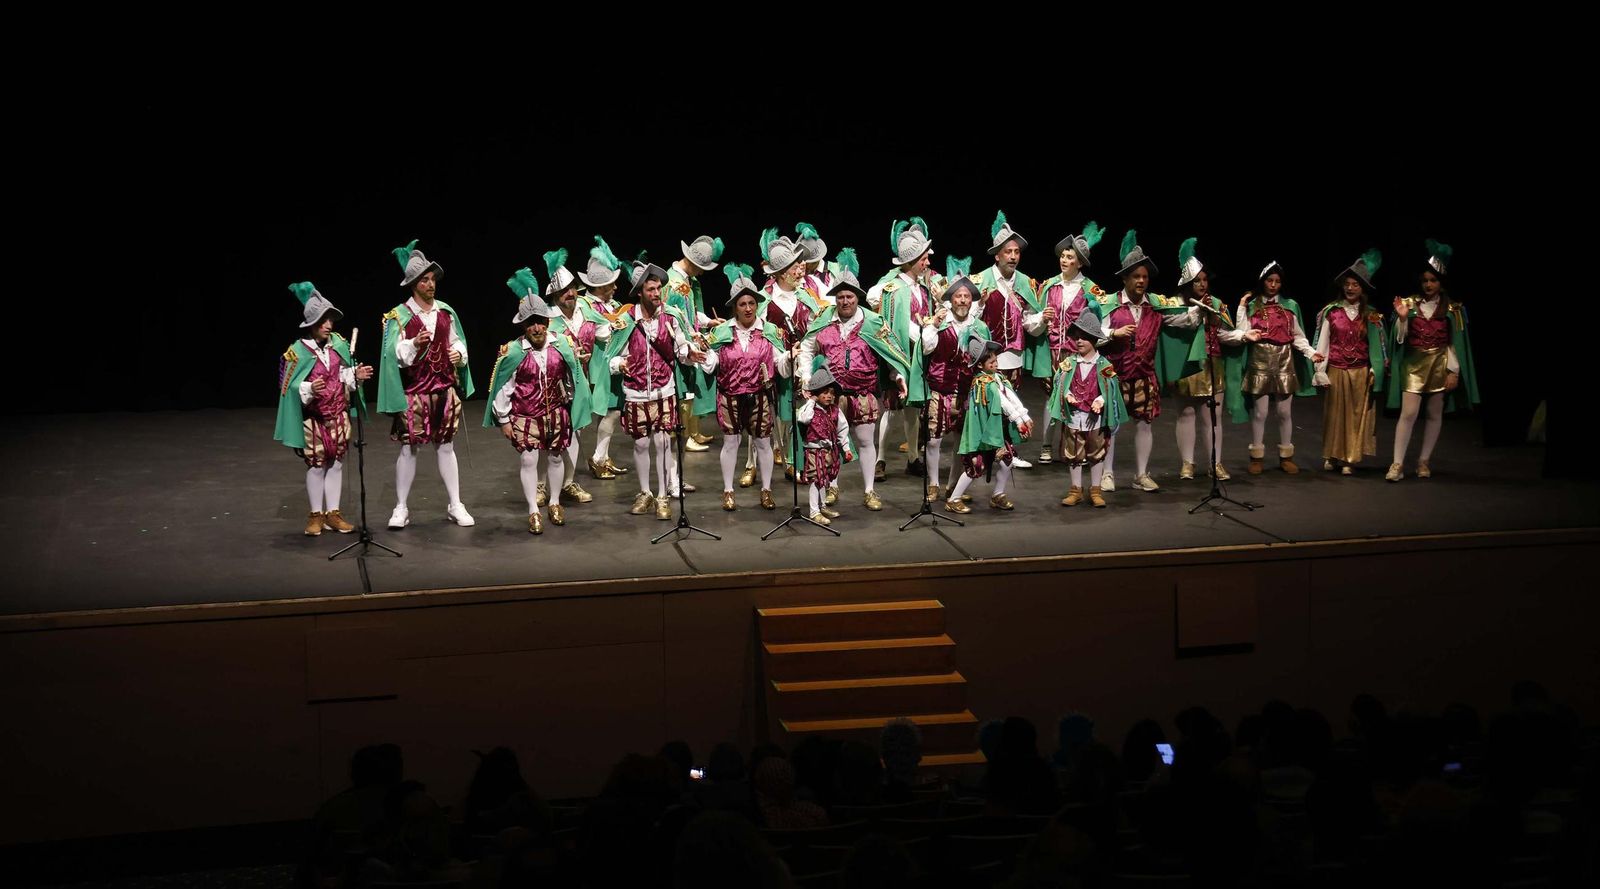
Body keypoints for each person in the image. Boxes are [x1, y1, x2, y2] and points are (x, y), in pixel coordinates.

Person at [798, 250, 912, 512]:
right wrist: (806, 378)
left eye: (849, 297)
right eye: (840, 297)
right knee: (830, 442)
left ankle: (870, 490)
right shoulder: (824, 320)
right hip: (831, 396)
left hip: (863, 394)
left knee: (864, 442)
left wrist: (898, 377)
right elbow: (806, 347)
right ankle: (831, 486)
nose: (844, 301)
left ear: (857, 298)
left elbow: (889, 355)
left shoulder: (872, 323)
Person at [378, 239, 475, 528]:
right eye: (425, 280)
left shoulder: (445, 312)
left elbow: (458, 343)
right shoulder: (398, 316)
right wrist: (413, 344)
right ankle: (401, 507)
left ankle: (455, 504)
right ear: (413, 285)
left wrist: (459, 354)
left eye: (432, 279)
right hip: (415, 393)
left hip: (443, 390)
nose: (431, 284)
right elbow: (394, 356)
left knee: (446, 446)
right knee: (409, 448)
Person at [1097, 231, 1204, 492]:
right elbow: (1093, 335)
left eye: (1144, 277)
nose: (1141, 281)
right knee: (1111, 426)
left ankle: (1141, 474)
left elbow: (1183, 320)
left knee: (1144, 424)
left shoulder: (1155, 305)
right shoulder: (1110, 305)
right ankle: (1107, 474)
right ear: (1125, 278)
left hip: (1144, 375)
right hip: (1116, 374)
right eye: (1136, 276)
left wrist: (1200, 308)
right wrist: (1114, 333)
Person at [486, 272, 590, 534]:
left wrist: (572, 406)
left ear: (546, 322)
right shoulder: (515, 352)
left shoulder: (561, 346)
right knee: (529, 462)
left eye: (539, 322)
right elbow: (504, 387)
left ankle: (554, 502)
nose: (535, 328)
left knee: (556, 459)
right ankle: (533, 509)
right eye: (529, 324)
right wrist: (503, 419)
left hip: (556, 414)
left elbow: (572, 377)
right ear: (523, 326)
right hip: (526, 416)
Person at [604, 261, 706, 520]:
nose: (656, 293)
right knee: (640, 445)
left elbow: (681, 349)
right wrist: (620, 364)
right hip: (636, 392)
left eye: (658, 288)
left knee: (663, 444)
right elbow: (611, 358)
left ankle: (662, 495)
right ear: (640, 292)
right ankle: (645, 492)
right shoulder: (626, 320)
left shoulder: (670, 316)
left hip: (664, 390)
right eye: (651, 289)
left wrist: (689, 354)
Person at [274, 282, 372, 535]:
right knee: (317, 465)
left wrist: (356, 375)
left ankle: (334, 513)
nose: (329, 325)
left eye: (330, 319)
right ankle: (316, 514)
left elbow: (342, 376)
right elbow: (287, 387)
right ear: (311, 323)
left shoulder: (337, 345)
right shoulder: (296, 353)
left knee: (336, 463)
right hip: (314, 419)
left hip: (338, 415)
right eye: (323, 320)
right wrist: (307, 388)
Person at [697, 263, 791, 510]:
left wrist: (789, 359)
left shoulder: (770, 331)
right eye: (742, 304)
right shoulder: (722, 332)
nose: (748, 308)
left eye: (752, 303)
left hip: (759, 396)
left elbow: (779, 363)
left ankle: (767, 489)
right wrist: (705, 355)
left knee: (763, 443)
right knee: (731, 443)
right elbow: (713, 363)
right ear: (734, 308)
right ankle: (728, 491)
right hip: (730, 396)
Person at [1386, 239, 1479, 481]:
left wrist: (1453, 371)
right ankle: (1397, 464)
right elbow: (1398, 340)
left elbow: (1454, 344)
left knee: (1435, 413)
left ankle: (1423, 461)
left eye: (1433, 280)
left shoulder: (1453, 309)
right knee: (1408, 413)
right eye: (1425, 280)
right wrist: (1403, 319)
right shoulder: (1409, 304)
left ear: (1441, 282)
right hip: (1413, 363)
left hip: (1439, 362)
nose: (1428, 284)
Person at [1164, 238, 1253, 480]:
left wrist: (1244, 335)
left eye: (1205, 280)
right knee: (1186, 415)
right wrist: (1196, 311)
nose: (1203, 284)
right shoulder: (1175, 305)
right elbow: (1169, 323)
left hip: (1212, 365)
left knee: (1212, 417)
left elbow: (1223, 334)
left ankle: (1216, 463)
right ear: (1187, 284)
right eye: (1197, 281)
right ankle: (1187, 464)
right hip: (1186, 366)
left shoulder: (1216, 304)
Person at [1027, 222, 1107, 463]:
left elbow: (1100, 323)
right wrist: (1043, 317)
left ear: (1079, 263)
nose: (1064, 260)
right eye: (1062, 255)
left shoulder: (1090, 289)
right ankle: (1046, 445)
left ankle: (1077, 448)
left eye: (1070, 257)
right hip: (1053, 351)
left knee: (1079, 399)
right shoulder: (1050, 286)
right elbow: (1030, 321)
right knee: (1052, 398)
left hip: (1078, 353)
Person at [1236, 260, 1324, 474]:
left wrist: (1311, 353)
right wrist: (1241, 307)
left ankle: (1286, 456)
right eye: (1270, 280)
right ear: (1263, 281)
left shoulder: (1290, 306)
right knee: (1260, 413)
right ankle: (1256, 456)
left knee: (1284, 412)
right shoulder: (1252, 305)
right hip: (1260, 359)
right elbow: (1242, 332)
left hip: (1284, 358)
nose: (1273, 285)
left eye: (1277, 281)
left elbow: (1297, 336)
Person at [920, 257, 991, 502]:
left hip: (966, 393)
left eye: (966, 297)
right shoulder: (939, 323)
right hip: (940, 389)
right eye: (958, 296)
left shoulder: (979, 327)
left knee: (961, 442)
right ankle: (933, 484)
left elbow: (987, 361)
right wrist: (933, 326)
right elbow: (926, 349)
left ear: (972, 301)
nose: (962, 300)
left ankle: (952, 486)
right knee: (934, 440)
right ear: (951, 299)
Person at [1313, 250, 1388, 475]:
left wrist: (1375, 368)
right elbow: (1323, 343)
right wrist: (1320, 370)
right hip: (1336, 368)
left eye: (1355, 284)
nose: (1350, 288)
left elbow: (1377, 346)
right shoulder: (1332, 312)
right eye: (1347, 284)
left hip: (1359, 371)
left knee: (1356, 415)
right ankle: (1331, 454)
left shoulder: (1371, 315)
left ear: (1362, 288)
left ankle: (1349, 457)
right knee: (1334, 414)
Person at [975, 210, 1039, 468]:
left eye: (1017, 252)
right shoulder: (981, 280)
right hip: (989, 354)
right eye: (1008, 251)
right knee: (989, 402)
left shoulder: (1025, 282)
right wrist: (979, 304)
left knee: (1012, 401)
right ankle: (986, 450)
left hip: (1014, 353)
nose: (1013, 256)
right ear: (997, 254)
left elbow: (1030, 323)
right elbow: (970, 318)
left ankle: (1010, 452)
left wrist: (1041, 319)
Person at [1047, 311, 1127, 508]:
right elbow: (1060, 384)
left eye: (1084, 337)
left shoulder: (1104, 365)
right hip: (1075, 415)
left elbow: (1110, 388)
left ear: (1093, 339)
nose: (1079, 341)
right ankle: (1076, 490)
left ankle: (1096, 490)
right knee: (1074, 452)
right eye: (1077, 337)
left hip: (1095, 417)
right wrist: (1066, 394)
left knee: (1096, 452)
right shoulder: (1069, 363)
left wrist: (1101, 399)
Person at [945, 339, 1033, 513]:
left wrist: (1024, 415)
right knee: (976, 465)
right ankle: (954, 499)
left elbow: (1011, 397)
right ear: (980, 366)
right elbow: (1002, 402)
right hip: (985, 431)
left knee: (1007, 460)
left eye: (995, 360)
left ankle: (998, 494)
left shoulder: (998, 378)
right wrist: (1018, 419)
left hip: (998, 429)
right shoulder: (983, 383)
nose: (995, 363)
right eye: (991, 361)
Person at [577, 235, 631, 480]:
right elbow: (599, 334)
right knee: (610, 412)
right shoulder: (586, 306)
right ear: (598, 287)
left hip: (616, 366)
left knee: (612, 412)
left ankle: (602, 457)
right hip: (599, 368)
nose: (615, 288)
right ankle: (598, 459)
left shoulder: (613, 305)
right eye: (610, 285)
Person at [667, 235, 725, 452]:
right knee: (683, 391)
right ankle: (684, 435)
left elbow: (690, 313)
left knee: (691, 389)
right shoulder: (674, 284)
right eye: (701, 267)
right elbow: (675, 318)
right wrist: (692, 337)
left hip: (689, 337)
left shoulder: (687, 282)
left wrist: (708, 322)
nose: (702, 272)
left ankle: (693, 431)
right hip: (680, 343)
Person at [794, 368, 855, 525]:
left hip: (829, 450)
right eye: (824, 393)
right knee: (816, 479)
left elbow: (842, 429)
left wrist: (846, 449)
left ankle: (822, 506)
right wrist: (811, 401)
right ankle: (814, 511)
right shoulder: (810, 409)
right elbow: (804, 419)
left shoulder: (834, 410)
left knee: (825, 479)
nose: (829, 396)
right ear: (816, 394)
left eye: (831, 393)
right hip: (814, 450)